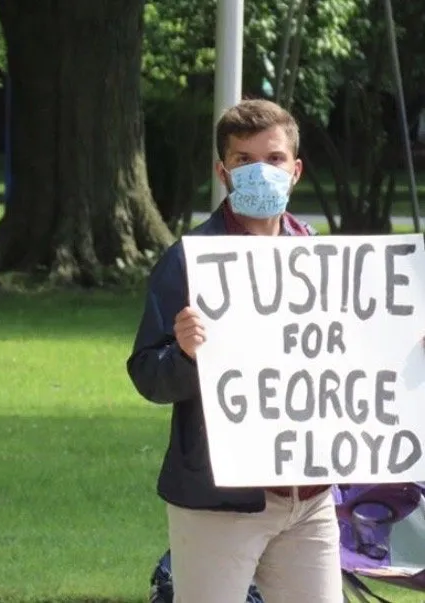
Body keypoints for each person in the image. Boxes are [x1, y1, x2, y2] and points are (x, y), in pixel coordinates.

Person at [127, 99, 342, 603]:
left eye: (273, 158)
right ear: (223, 172)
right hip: (217, 503)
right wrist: (185, 356)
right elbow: (147, 375)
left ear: (295, 170)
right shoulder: (189, 261)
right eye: (244, 160)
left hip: (309, 499)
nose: (259, 171)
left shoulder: (323, 260)